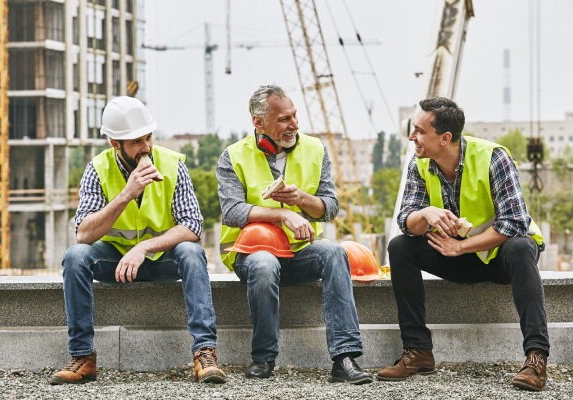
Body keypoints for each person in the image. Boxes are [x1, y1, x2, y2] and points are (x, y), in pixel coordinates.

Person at [51, 96, 225, 385]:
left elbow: (193, 225)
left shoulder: (173, 165)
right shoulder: (98, 168)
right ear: (115, 144)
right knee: (75, 256)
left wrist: (144, 247)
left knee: (193, 252)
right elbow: (83, 233)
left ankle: (204, 354)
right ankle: (83, 358)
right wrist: (126, 194)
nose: (146, 147)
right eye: (136, 142)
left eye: (148, 137)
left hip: (162, 258)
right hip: (116, 261)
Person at [378, 97, 549, 392]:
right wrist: (425, 213)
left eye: (419, 131)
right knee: (400, 247)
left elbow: (514, 223)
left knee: (521, 247)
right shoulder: (419, 165)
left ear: (445, 138)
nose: (411, 137)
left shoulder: (493, 157)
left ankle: (536, 358)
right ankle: (418, 351)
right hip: (458, 257)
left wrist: (460, 247)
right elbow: (406, 221)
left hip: (502, 258)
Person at [216, 85, 372, 384]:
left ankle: (345, 358)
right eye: (284, 119)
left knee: (335, 252)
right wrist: (282, 214)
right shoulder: (233, 156)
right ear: (258, 122)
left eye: (295, 116)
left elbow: (329, 208)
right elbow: (233, 211)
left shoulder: (315, 149)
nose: (294, 125)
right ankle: (263, 358)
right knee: (264, 265)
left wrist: (300, 199)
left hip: (300, 252)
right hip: (250, 255)